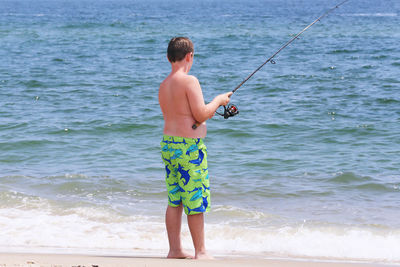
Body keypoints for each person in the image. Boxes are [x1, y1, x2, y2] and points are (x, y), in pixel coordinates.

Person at [159, 37, 232, 260]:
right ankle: (200, 252)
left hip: (169, 145)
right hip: (189, 148)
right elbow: (200, 114)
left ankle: (175, 250)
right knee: (195, 198)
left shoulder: (165, 85)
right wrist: (219, 100)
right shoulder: (190, 81)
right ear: (190, 56)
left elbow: (182, 115)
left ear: (168, 57)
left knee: (175, 199)